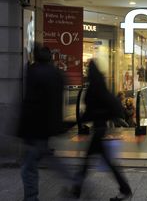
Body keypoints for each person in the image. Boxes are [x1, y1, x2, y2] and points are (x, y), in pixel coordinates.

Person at [18, 44, 73, 201]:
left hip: (33, 128)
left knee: (29, 168)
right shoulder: (56, 73)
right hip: (47, 128)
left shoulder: (33, 71)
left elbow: (29, 102)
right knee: (50, 161)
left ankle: (31, 197)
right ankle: (76, 181)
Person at [73, 60, 132, 201]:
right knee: (101, 162)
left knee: (89, 162)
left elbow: (90, 111)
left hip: (98, 131)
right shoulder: (101, 86)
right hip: (101, 129)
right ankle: (124, 189)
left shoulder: (94, 88)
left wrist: (80, 120)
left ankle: (76, 191)